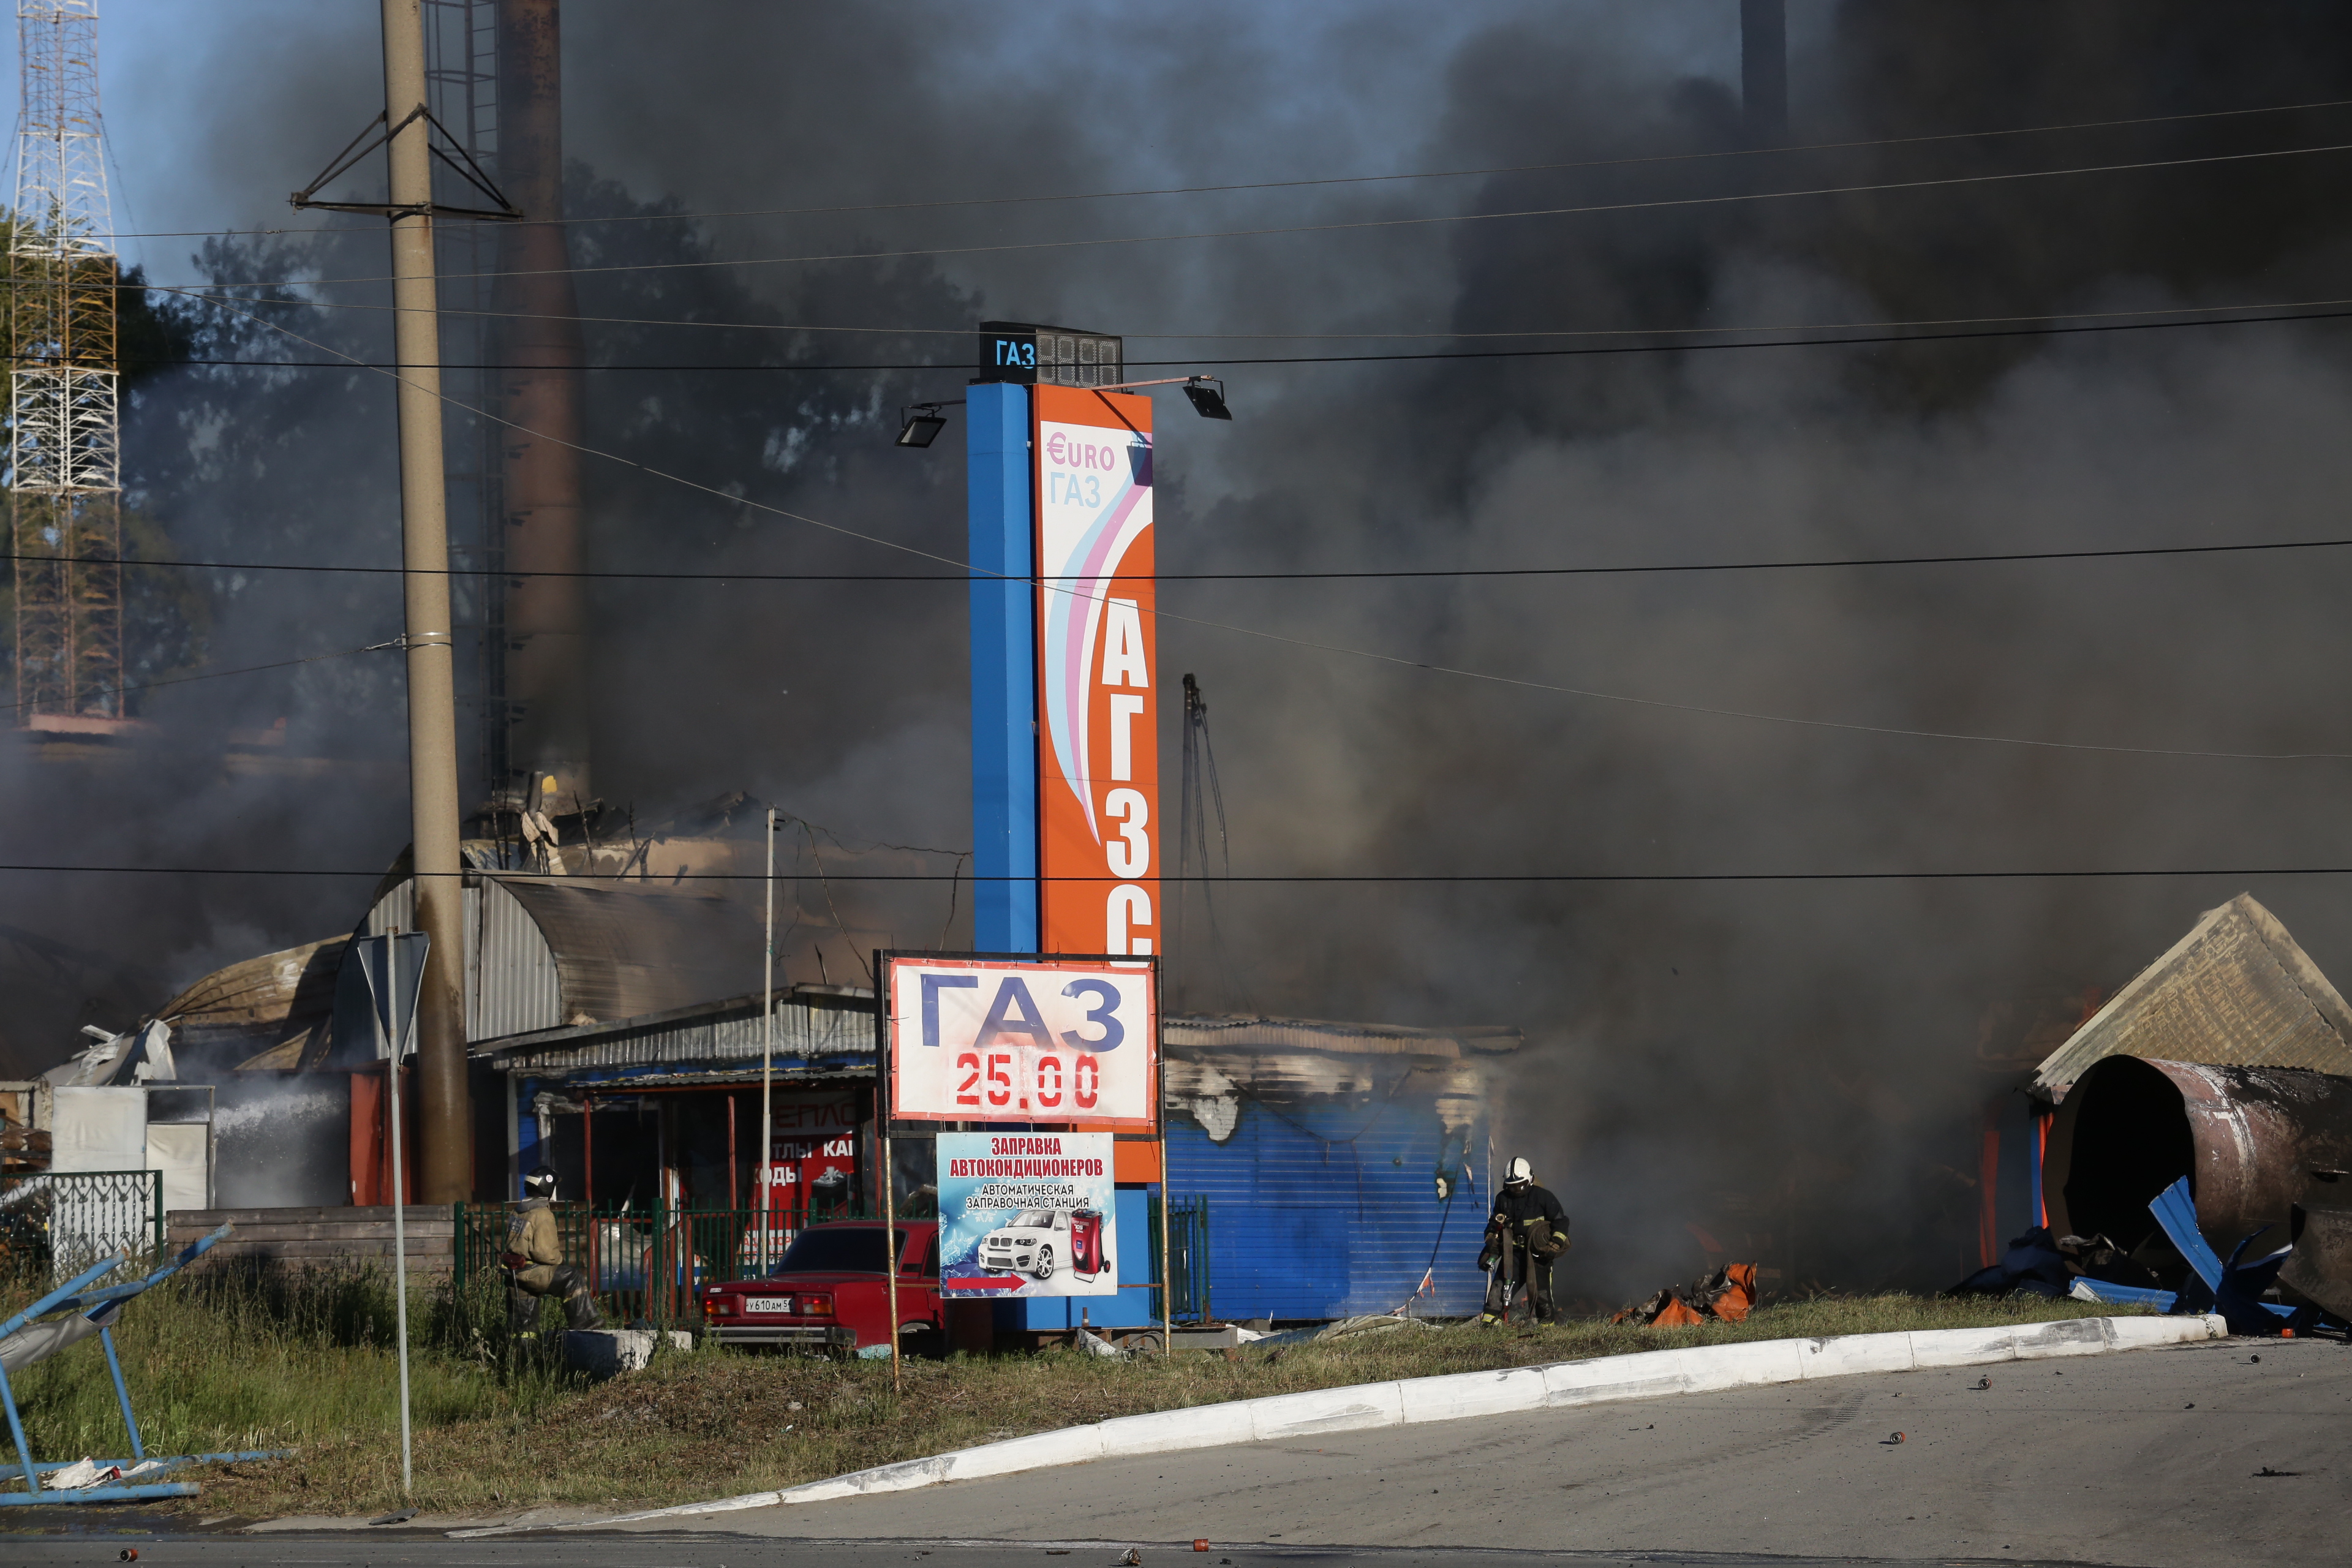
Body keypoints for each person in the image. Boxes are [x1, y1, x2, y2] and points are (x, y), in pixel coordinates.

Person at [503, 1164, 603, 1337]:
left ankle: (522, 1352)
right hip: (533, 1272)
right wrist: (559, 1262)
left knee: (525, 1327)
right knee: (572, 1277)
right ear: (547, 1188)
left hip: (514, 1272)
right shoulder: (541, 1214)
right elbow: (546, 1254)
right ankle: (586, 1323)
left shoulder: (518, 1210)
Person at [1479, 1156, 1569, 1324]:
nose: (1516, 1190)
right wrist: (1490, 1238)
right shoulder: (1503, 1199)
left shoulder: (1543, 1197)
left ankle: (1546, 1328)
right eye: (1511, 1186)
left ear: (1530, 1180)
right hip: (1512, 1254)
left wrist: (1555, 1243)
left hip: (1538, 1255)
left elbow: (1561, 1221)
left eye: (1520, 1185)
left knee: (1541, 1294)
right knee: (1498, 1290)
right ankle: (1489, 1324)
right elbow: (1494, 1223)